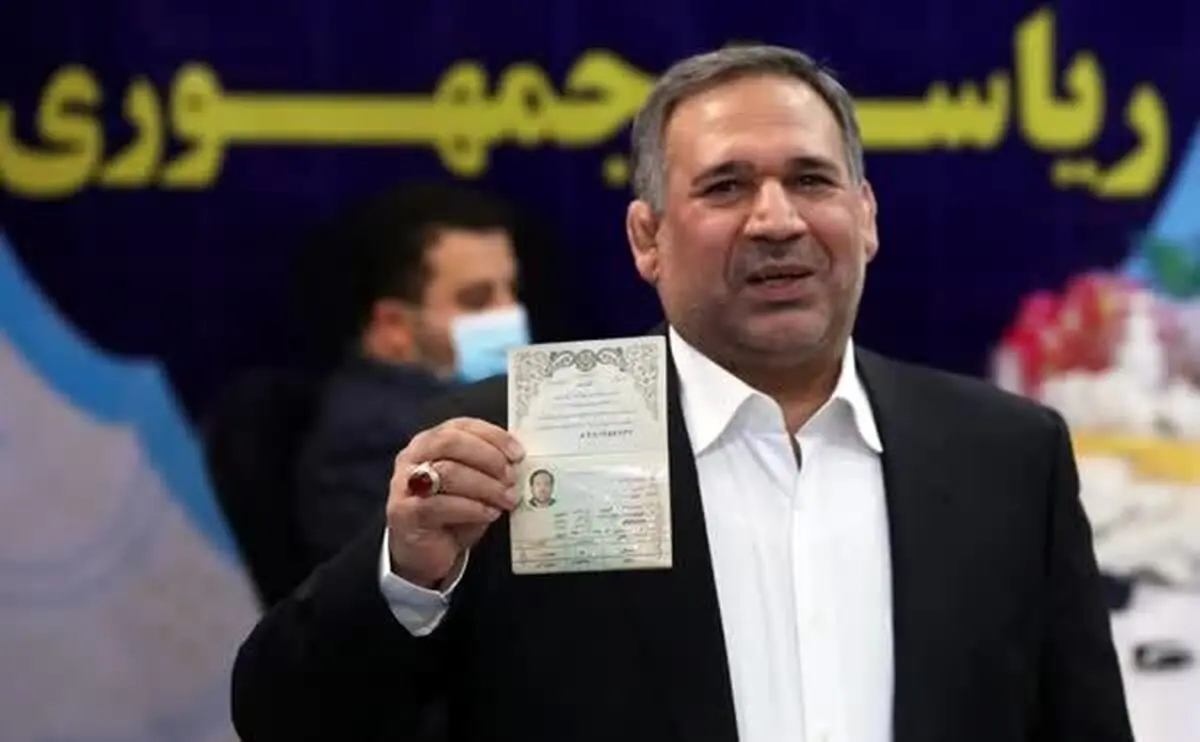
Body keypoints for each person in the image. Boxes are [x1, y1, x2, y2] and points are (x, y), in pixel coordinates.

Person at [231, 45, 1134, 742]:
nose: (776, 219)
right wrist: (407, 575)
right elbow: (286, 716)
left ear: (865, 218)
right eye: (727, 186)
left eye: (810, 180)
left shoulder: (1007, 456)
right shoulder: (510, 443)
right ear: (647, 239)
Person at [292, 182, 532, 566]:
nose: (509, 312)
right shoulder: (370, 441)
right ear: (394, 326)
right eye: (476, 300)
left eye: (512, 290)